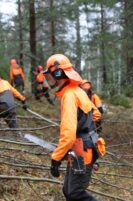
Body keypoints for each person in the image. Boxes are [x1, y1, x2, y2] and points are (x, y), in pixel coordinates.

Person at [44, 54, 101, 201]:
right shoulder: (78, 91)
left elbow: (68, 133)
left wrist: (56, 158)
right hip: (81, 148)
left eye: (49, 75)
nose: (48, 79)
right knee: (68, 190)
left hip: (82, 150)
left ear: (58, 74)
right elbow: (96, 114)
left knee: (75, 193)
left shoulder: (69, 95)